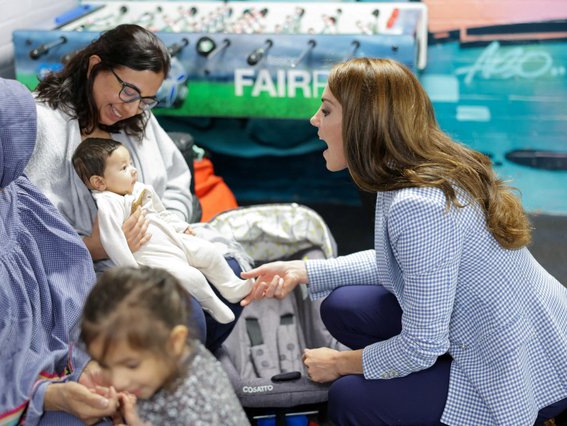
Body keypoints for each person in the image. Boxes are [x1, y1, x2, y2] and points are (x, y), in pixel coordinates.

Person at [241, 58, 567, 425]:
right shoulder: (408, 170)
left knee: (349, 396)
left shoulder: (417, 204)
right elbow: (396, 261)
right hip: (514, 328)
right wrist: (302, 269)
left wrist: (340, 364)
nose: (314, 120)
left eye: (327, 110)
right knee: (344, 305)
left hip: (510, 367)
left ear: (364, 124)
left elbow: (422, 346)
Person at [24, 24, 242, 351]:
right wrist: (99, 247)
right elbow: (25, 237)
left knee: (232, 276)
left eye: (146, 99)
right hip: (86, 268)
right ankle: (173, 377)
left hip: (161, 246)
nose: (130, 108)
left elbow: (176, 182)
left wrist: (173, 228)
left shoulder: (136, 115)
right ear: (96, 65)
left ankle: (180, 369)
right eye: (127, 92)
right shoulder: (43, 125)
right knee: (184, 312)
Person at [0, 72, 120, 424]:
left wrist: (89, 355)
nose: (10, 171)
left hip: (68, 349)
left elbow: (67, 271)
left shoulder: (9, 186)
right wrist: (48, 392)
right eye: (2, 150)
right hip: (7, 391)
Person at [72, 137, 252, 323]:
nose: (133, 170)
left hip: (174, 239)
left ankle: (232, 287)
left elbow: (162, 213)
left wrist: (180, 227)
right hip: (153, 255)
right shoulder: (109, 204)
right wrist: (132, 271)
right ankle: (213, 304)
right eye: (124, 168)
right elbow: (113, 241)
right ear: (99, 182)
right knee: (193, 277)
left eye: (131, 163)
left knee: (210, 253)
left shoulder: (139, 189)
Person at [80, 266, 250, 426]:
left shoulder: (196, 403)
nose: (117, 381)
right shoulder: (171, 359)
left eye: (131, 365)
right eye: (104, 365)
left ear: (175, 343)